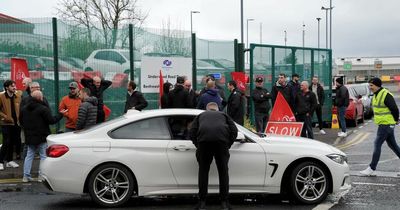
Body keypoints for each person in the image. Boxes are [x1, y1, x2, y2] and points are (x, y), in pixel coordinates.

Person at [190, 102, 238, 210]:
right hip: (221, 144)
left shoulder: (201, 115)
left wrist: (198, 145)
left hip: (204, 143)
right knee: (223, 172)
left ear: (207, 109)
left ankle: (202, 203)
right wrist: (227, 144)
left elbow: (192, 132)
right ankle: (224, 203)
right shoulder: (223, 115)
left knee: (203, 171)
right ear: (217, 109)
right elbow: (234, 131)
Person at [20, 90, 65, 182]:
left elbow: (21, 121)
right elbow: (51, 121)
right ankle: (41, 176)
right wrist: (61, 115)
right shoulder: (43, 109)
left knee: (29, 155)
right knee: (43, 156)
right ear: (40, 98)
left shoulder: (24, 109)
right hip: (42, 136)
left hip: (29, 136)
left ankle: (25, 176)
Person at [360, 78, 400, 176]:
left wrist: (395, 120)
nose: (370, 87)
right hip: (384, 124)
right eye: (369, 85)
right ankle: (371, 168)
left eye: (371, 85)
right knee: (393, 146)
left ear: (377, 85)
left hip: (386, 124)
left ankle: (371, 168)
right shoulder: (376, 95)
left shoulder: (385, 94)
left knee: (377, 143)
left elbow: (394, 108)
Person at [0, 80, 22, 171]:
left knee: (13, 142)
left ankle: (9, 161)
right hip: (5, 123)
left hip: (16, 123)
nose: (14, 87)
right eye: (12, 86)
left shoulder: (18, 96)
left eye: (15, 86)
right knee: (6, 142)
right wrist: (6, 117)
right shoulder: (1, 96)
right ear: (7, 87)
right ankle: (0, 162)